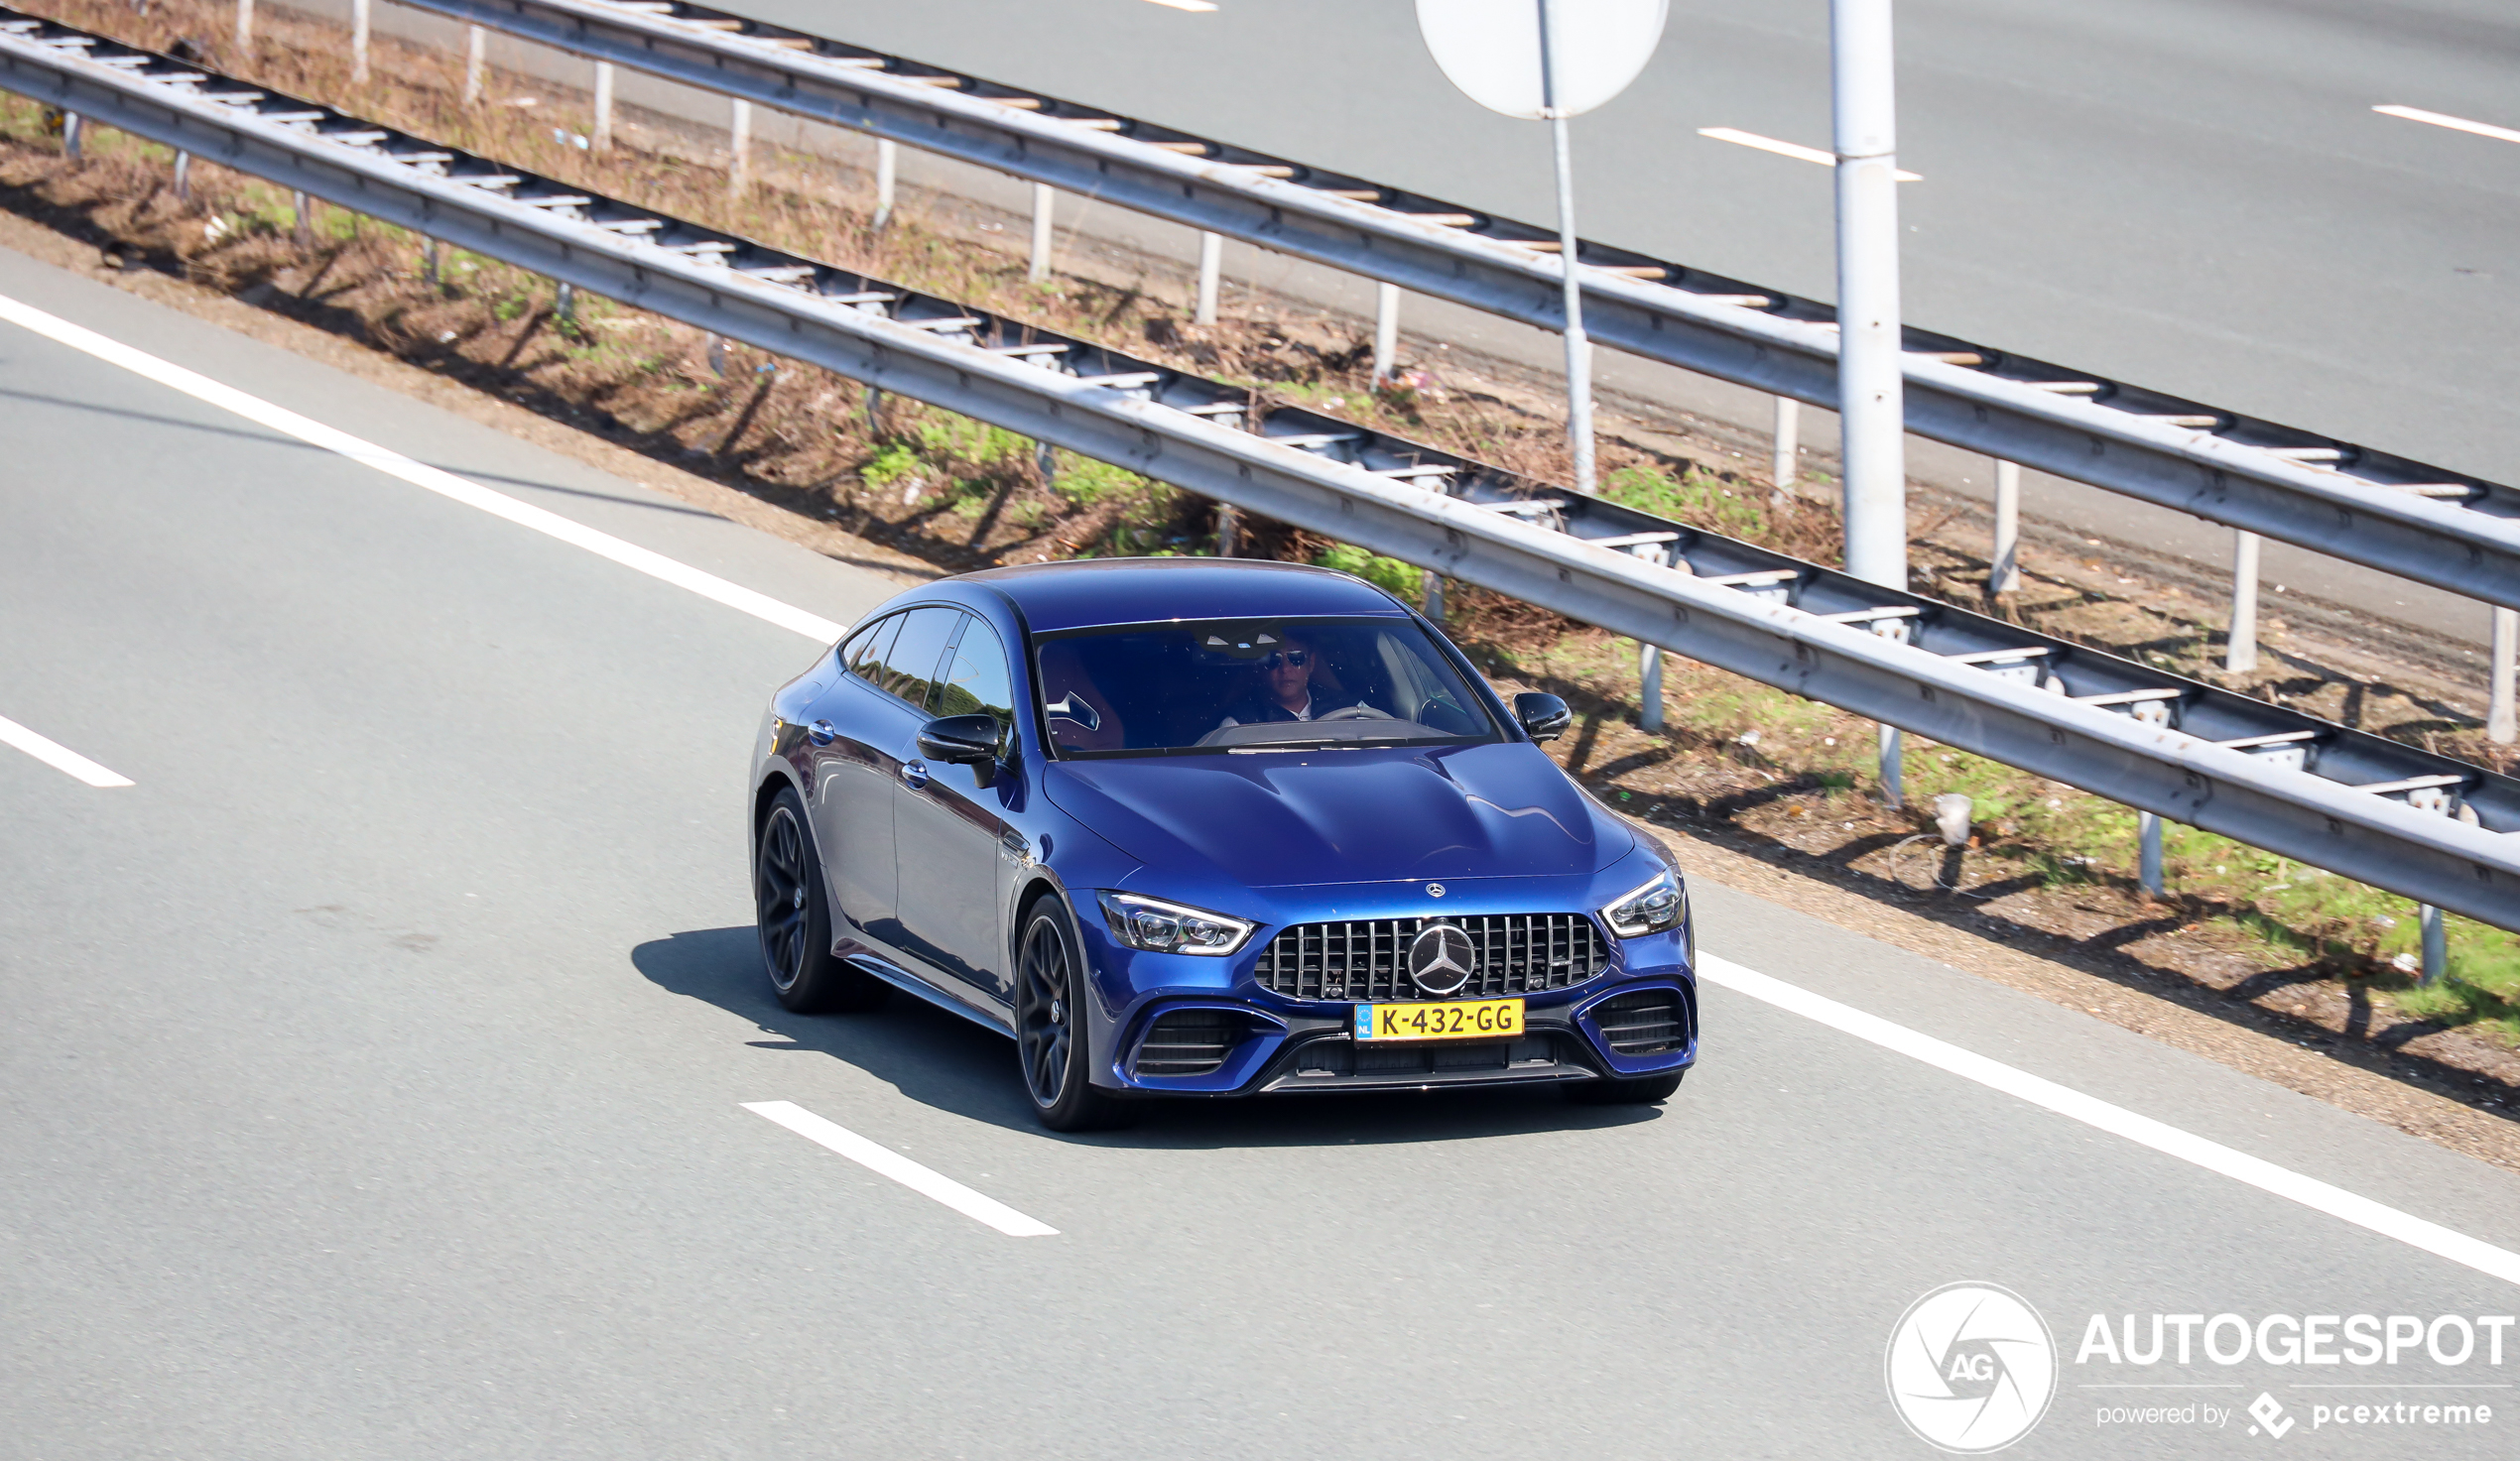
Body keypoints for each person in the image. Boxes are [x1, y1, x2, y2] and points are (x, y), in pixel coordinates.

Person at [1214, 631, 1367, 729]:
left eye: (1296, 658)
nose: (1285, 669)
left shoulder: (1351, 709)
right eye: (1274, 660)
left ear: (1311, 664)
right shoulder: (1239, 725)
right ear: (1261, 668)